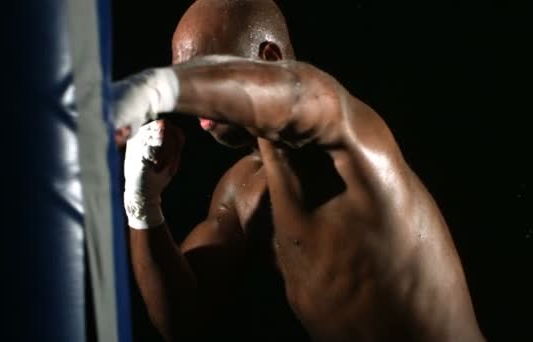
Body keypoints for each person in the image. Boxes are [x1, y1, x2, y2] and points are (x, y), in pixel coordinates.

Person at [113, 0, 486, 341]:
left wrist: (155, 89)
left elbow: (293, 96)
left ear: (271, 59)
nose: (194, 96)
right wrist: (142, 203)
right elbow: (181, 322)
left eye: (208, 71)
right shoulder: (244, 192)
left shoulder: (343, 133)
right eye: (185, 74)